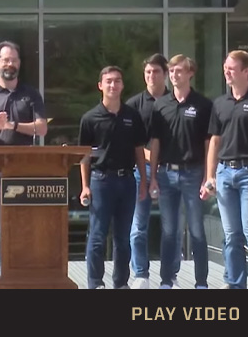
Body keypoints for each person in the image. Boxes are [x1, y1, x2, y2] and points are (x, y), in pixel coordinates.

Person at [0, 40, 47, 280]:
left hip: (26, 173)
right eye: (5, 60)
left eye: (14, 60)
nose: (10, 64)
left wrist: (11, 124)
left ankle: (23, 277)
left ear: (19, 64)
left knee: (25, 231)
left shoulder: (31, 94)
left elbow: (42, 128)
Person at [205, 50, 248, 289]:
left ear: (246, 71)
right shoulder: (220, 103)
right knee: (231, 234)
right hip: (225, 173)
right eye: (225, 67)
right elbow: (214, 141)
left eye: (231, 68)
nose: (226, 71)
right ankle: (235, 284)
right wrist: (210, 176)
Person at [79, 66, 147, 289]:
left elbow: (139, 150)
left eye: (117, 81)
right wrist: (84, 186)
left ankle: (121, 283)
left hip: (127, 181)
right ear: (100, 85)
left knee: (123, 238)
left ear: (122, 85)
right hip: (101, 181)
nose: (113, 85)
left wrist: (144, 181)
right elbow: (84, 156)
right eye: (108, 81)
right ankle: (95, 283)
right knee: (98, 235)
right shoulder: (90, 118)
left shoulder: (132, 116)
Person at [149, 54, 212, 289]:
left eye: (179, 71)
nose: (174, 75)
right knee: (169, 231)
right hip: (165, 175)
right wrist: (153, 176)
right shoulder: (160, 104)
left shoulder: (203, 105)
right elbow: (155, 142)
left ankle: (201, 282)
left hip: (193, 173)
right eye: (171, 71)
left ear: (190, 73)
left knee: (196, 230)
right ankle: (167, 280)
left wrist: (208, 176)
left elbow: (209, 144)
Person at [126, 54, 182, 289]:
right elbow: (128, 141)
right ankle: (141, 273)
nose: (151, 76)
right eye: (147, 72)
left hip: (170, 171)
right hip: (142, 170)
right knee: (138, 225)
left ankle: (169, 275)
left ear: (165, 73)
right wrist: (150, 157)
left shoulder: (177, 101)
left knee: (172, 227)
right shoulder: (134, 104)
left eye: (156, 72)